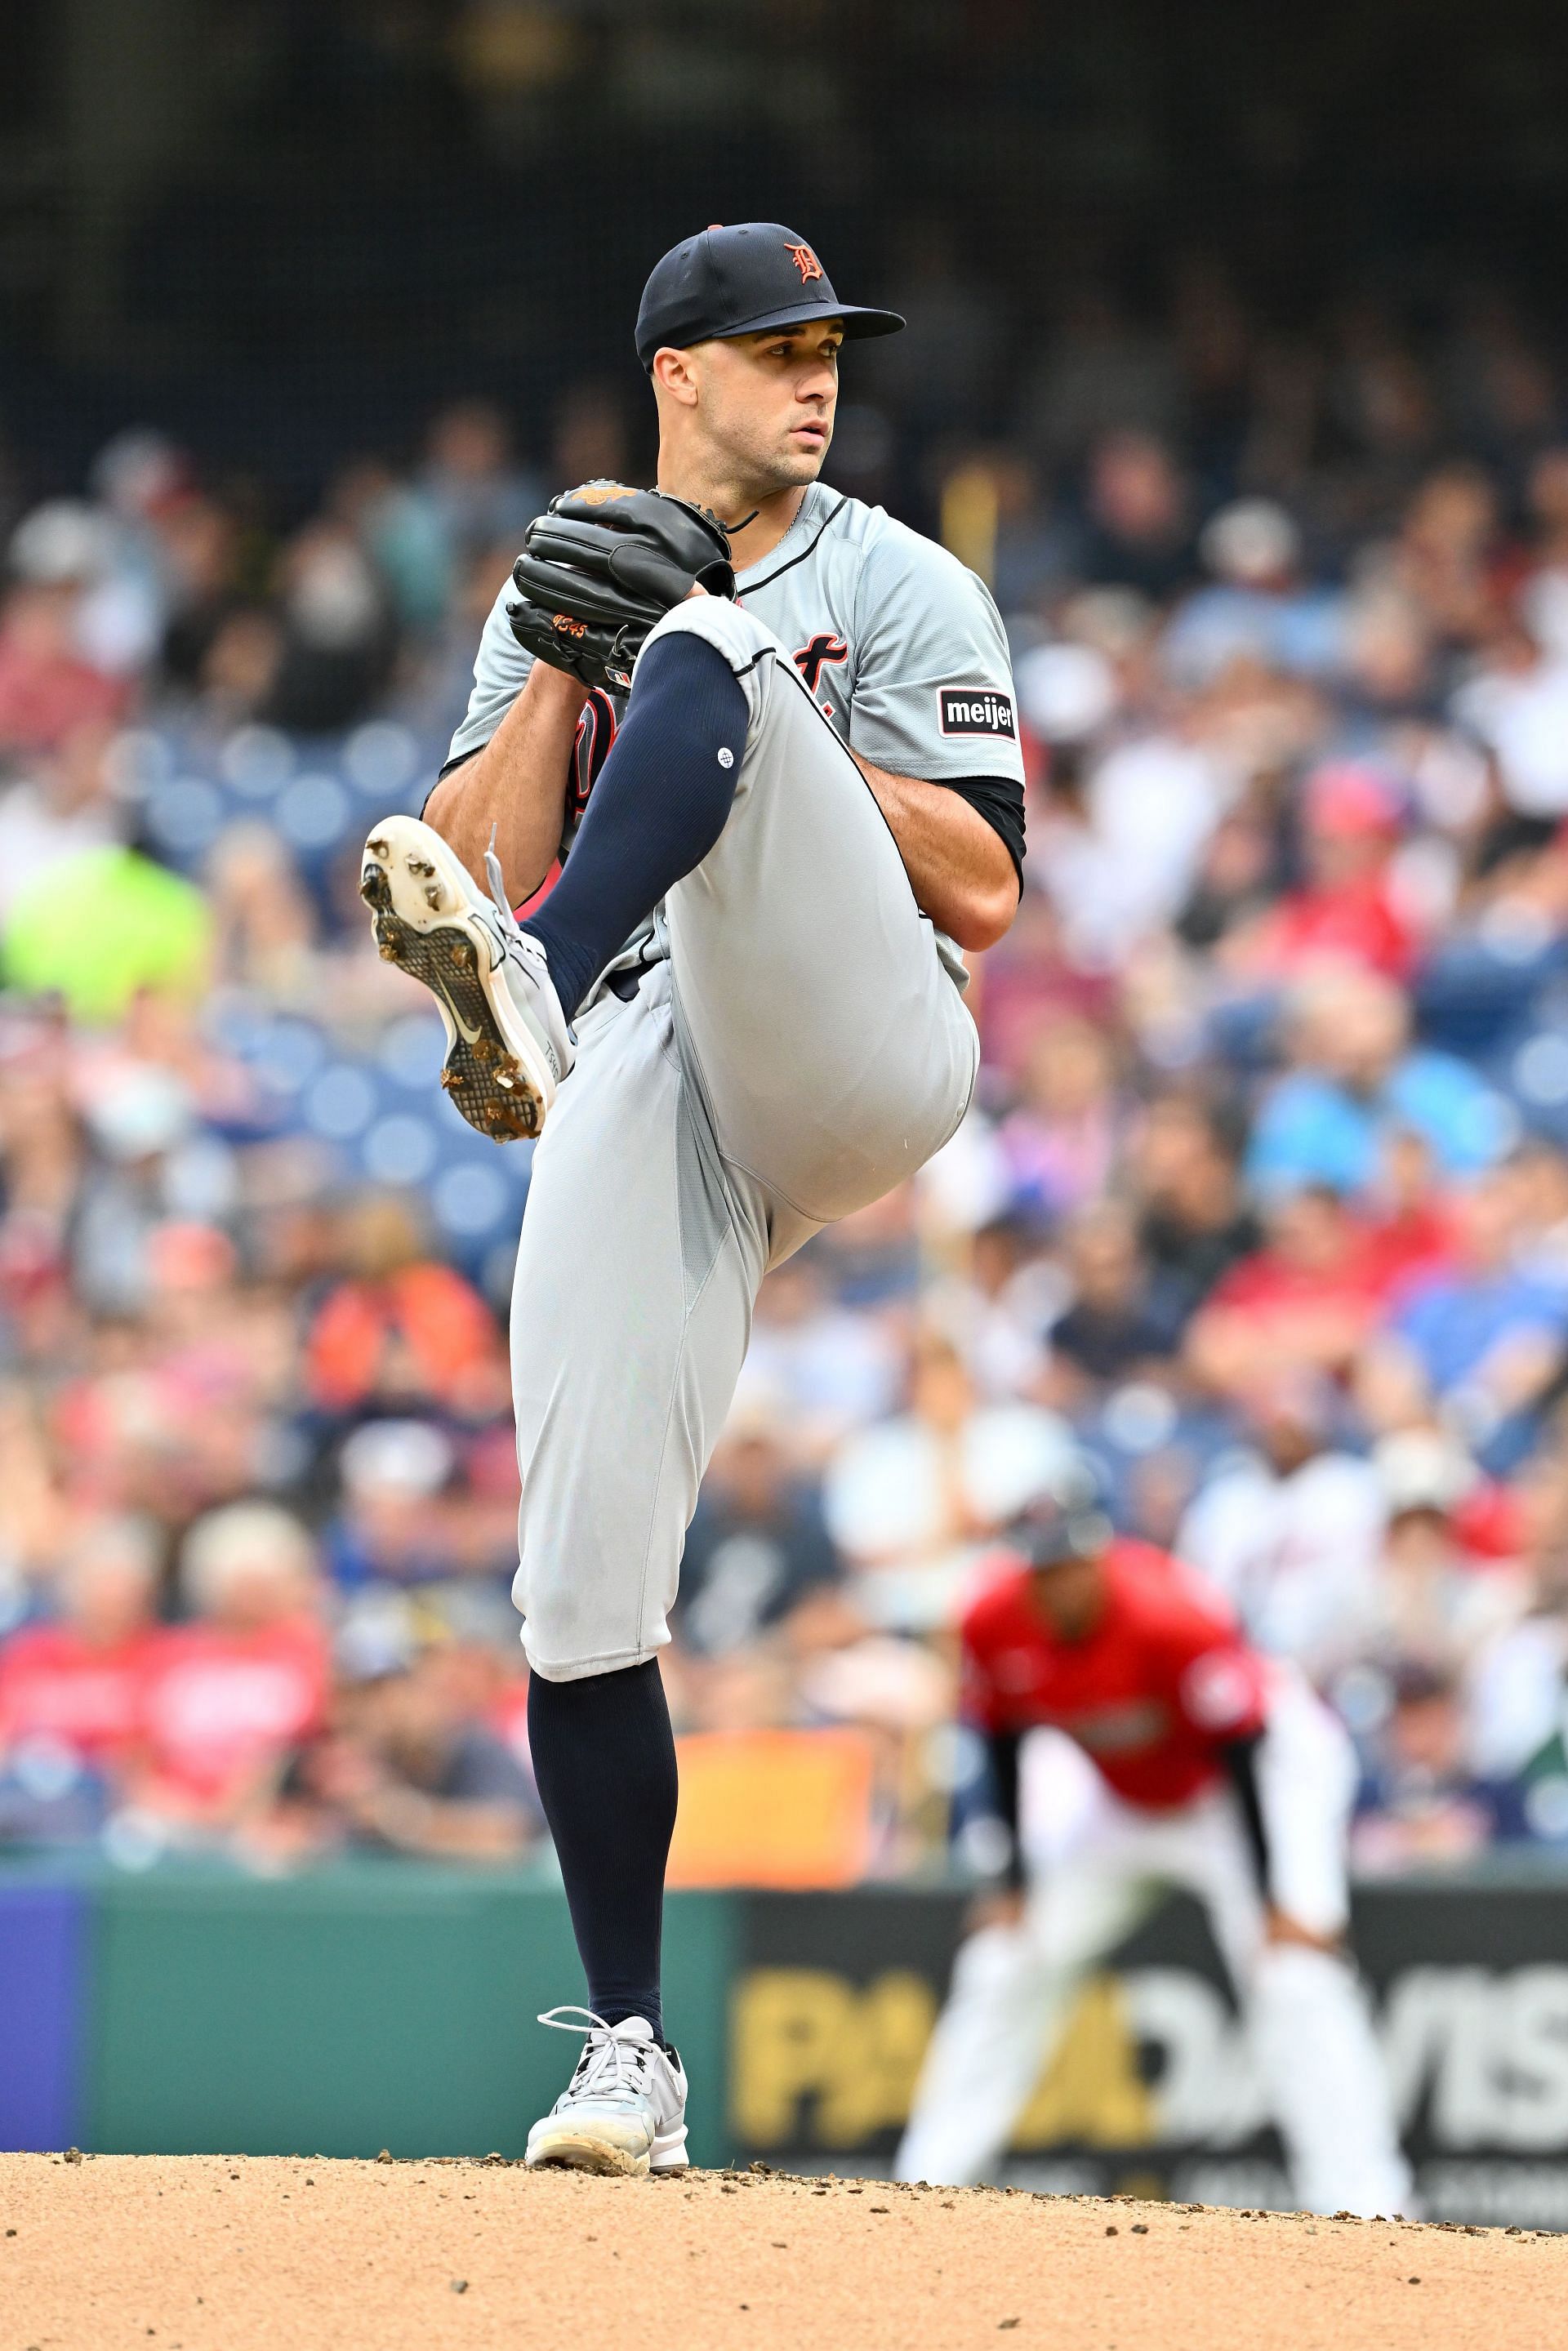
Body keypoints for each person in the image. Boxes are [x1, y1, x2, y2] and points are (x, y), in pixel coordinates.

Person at [359, 222, 1024, 2173]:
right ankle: (629, 2049)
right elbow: (458, 857)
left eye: (832, 347)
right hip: (645, 1051)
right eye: (775, 346)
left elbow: (983, 886)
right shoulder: (551, 573)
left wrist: (717, 671)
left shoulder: (898, 578)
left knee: (716, 636)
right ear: (679, 374)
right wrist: (566, 664)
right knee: (574, 1582)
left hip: (858, 1034)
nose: (817, 377)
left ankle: (543, 993)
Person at [895, 1456, 1410, 2217]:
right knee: (1003, 1959)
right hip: (1118, 1796)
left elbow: (1243, 1744)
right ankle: (923, 2190)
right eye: (1043, 1567)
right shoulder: (992, 1617)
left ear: (1100, 1549)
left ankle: (1373, 2208)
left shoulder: (1171, 1610)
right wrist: (1012, 1885)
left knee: (1296, 1976)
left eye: (1071, 1561)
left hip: (1254, 1781)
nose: (1058, 1581)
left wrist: (1274, 1903)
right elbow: (1001, 1738)